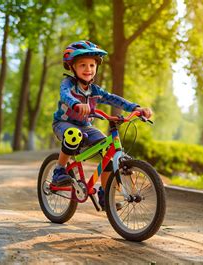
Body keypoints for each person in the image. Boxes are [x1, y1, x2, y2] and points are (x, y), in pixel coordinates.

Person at [51, 40, 152, 209]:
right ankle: (59, 170)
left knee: (109, 150)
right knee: (73, 134)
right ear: (72, 67)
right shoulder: (68, 84)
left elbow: (113, 99)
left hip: (86, 126)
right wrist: (76, 104)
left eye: (91, 65)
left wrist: (135, 107)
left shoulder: (96, 90)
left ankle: (105, 194)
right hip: (64, 123)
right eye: (82, 65)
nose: (88, 69)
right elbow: (65, 95)